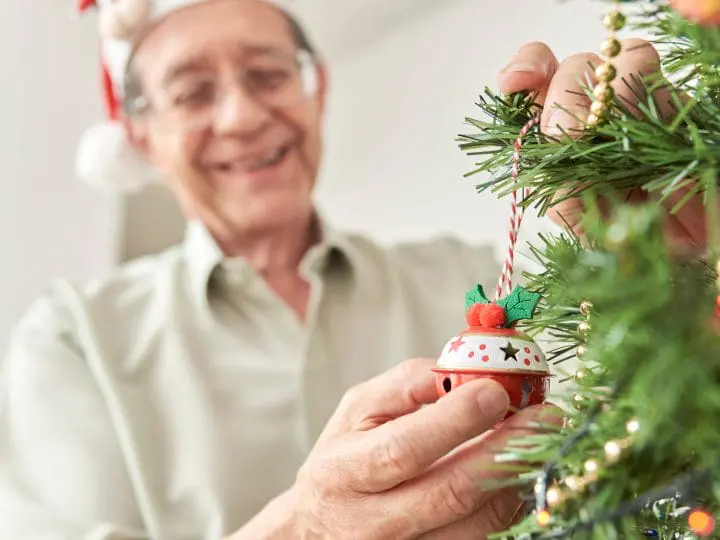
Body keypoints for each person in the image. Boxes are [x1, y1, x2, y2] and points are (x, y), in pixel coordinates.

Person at [0, 1, 707, 539]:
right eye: (192, 93)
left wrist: (670, 263)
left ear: (317, 93)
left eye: (268, 74)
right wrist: (302, 529)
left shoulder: (480, 279)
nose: (245, 114)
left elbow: (633, 455)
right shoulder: (71, 340)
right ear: (141, 139)